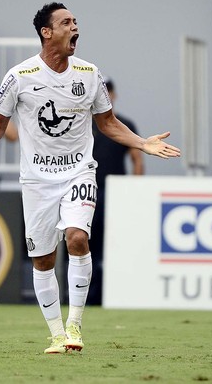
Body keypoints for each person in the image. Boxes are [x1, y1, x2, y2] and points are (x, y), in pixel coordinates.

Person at [0, 2, 180, 354]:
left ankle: (75, 326)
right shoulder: (19, 77)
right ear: (47, 32)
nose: (75, 27)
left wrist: (141, 142)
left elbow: (107, 123)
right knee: (43, 260)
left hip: (79, 171)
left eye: (75, 22)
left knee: (76, 238)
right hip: (37, 181)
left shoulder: (89, 73)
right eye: (66, 23)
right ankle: (56, 333)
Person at [87, 77, 144, 305]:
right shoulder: (84, 125)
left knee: (113, 244)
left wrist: (134, 191)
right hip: (86, 190)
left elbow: (136, 159)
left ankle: (112, 293)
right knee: (85, 243)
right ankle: (87, 295)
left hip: (115, 194)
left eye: (108, 94)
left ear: (113, 96)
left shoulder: (123, 124)